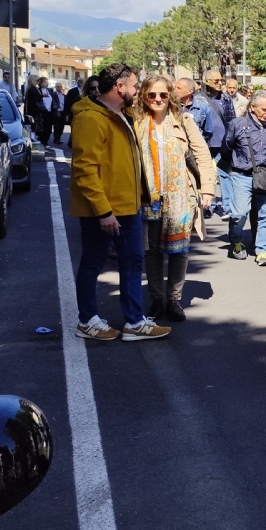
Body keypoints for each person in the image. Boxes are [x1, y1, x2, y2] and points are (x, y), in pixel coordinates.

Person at [69, 63, 172, 343]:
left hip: (128, 206)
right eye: (135, 85)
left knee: (132, 262)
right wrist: (103, 211)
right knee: (93, 262)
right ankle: (87, 320)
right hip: (104, 209)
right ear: (119, 87)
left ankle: (134, 322)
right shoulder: (91, 118)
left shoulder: (120, 114)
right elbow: (85, 169)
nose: (137, 90)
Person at [133, 75, 216, 321]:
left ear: (171, 96)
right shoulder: (135, 122)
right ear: (144, 96)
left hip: (180, 196)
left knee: (179, 250)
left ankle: (174, 300)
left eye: (163, 95)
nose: (158, 99)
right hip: (148, 198)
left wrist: (208, 189)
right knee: (152, 250)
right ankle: (157, 299)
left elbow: (202, 154)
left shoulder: (183, 121)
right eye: (152, 95)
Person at [222, 90, 266, 264]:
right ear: (252, 107)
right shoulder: (237, 124)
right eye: (264, 109)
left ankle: (262, 249)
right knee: (239, 213)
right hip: (242, 175)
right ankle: (236, 241)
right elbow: (227, 146)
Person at [199, 71, 235, 218]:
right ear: (207, 81)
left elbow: (232, 120)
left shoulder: (226, 98)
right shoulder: (199, 99)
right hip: (204, 144)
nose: (220, 83)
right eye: (216, 81)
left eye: (221, 80)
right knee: (207, 175)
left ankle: (227, 207)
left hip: (223, 143)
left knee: (225, 174)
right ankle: (209, 205)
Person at [26, 76, 54, 146]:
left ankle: (44, 141)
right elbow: (34, 100)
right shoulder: (33, 89)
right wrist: (42, 96)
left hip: (47, 111)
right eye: (38, 81)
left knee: (47, 128)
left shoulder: (49, 90)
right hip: (39, 112)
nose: (38, 82)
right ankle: (42, 141)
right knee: (41, 128)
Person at [62, 79, 82, 146]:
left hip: (82, 112)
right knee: (74, 127)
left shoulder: (86, 91)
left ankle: (73, 141)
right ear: (79, 83)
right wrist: (67, 113)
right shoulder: (72, 91)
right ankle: (71, 141)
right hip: (73, 112)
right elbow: (68, 102)